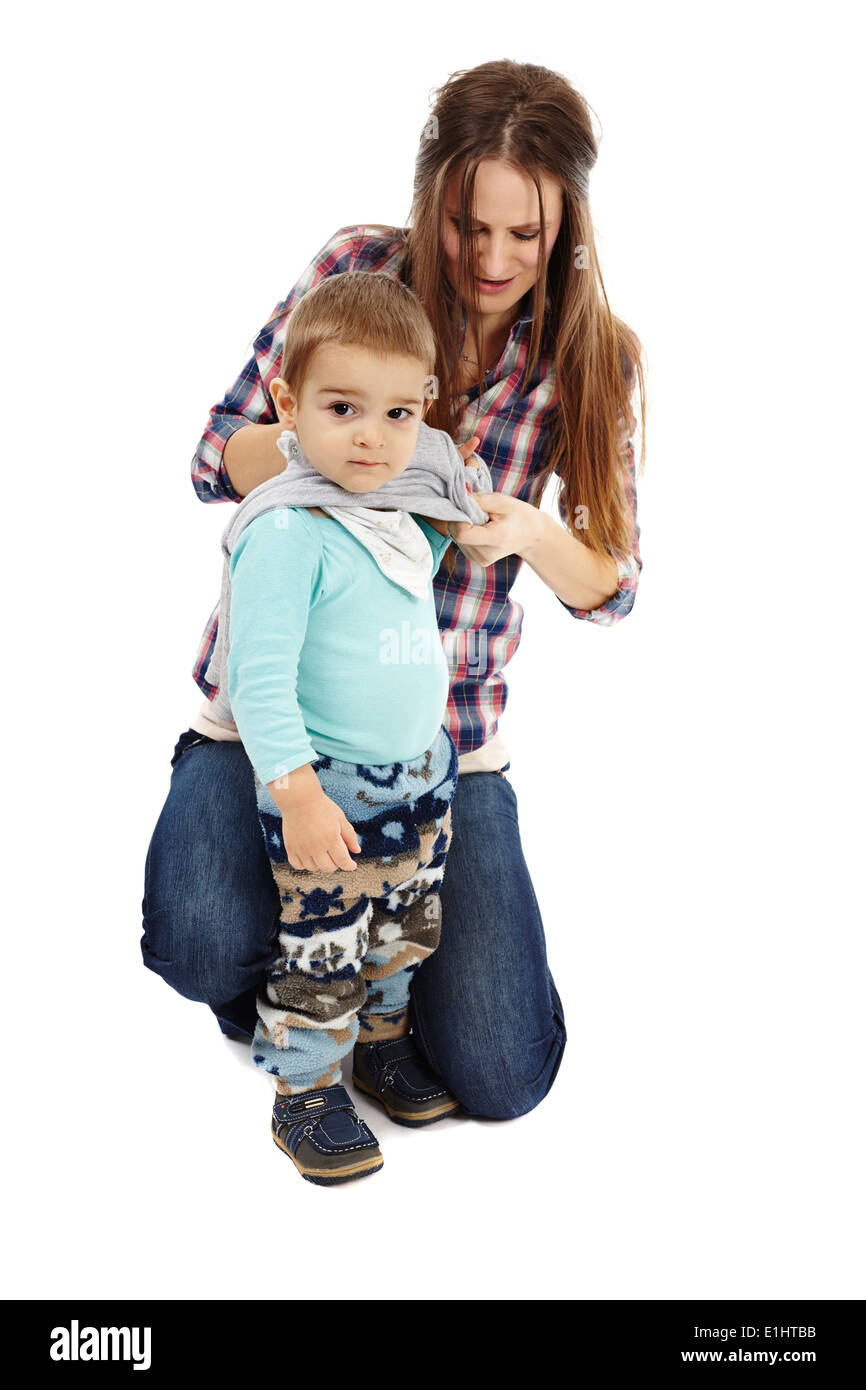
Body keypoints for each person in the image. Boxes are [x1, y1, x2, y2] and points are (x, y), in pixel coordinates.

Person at [141, 58, 645, 1124]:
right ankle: (305, 988)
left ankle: (375, 988)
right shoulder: (358, 269)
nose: (494, 258)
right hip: (277, 728)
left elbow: (610, 587)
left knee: (503, 1070)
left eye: (528, 234)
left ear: (567, 225)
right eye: (470, 226)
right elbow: (211, 454)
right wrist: (346, 447)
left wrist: (523, 531)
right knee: (197, 938)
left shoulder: (593, 356)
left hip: (439, 741)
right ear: (434, 198)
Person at [200, 270, 495, 1184]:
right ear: (288, 404)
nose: (374, 437)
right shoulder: (288, 530)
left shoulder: (395, 516)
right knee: (322, 945)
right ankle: (307, 1092)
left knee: (403, 933)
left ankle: (382, 1044)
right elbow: (259, 673)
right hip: (330, 787)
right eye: (342, 408)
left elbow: (419, 567)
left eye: (400, 415)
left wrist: (459, 502)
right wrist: (295, 791)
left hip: (419, 779)